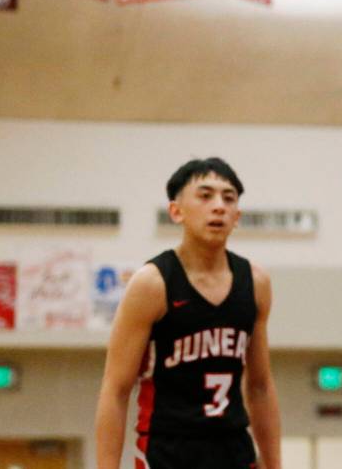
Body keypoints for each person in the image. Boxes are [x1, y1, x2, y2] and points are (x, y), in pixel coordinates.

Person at [94, 158, 281, 469]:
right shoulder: (152, 284)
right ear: (176, 211)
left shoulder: (256, 283)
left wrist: (275, 465)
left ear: (238, 217)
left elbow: (260, 386)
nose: (219, 206)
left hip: (234, 451)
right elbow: (115, 389)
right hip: (168, 453)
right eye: (205, 196)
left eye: (229, 198)